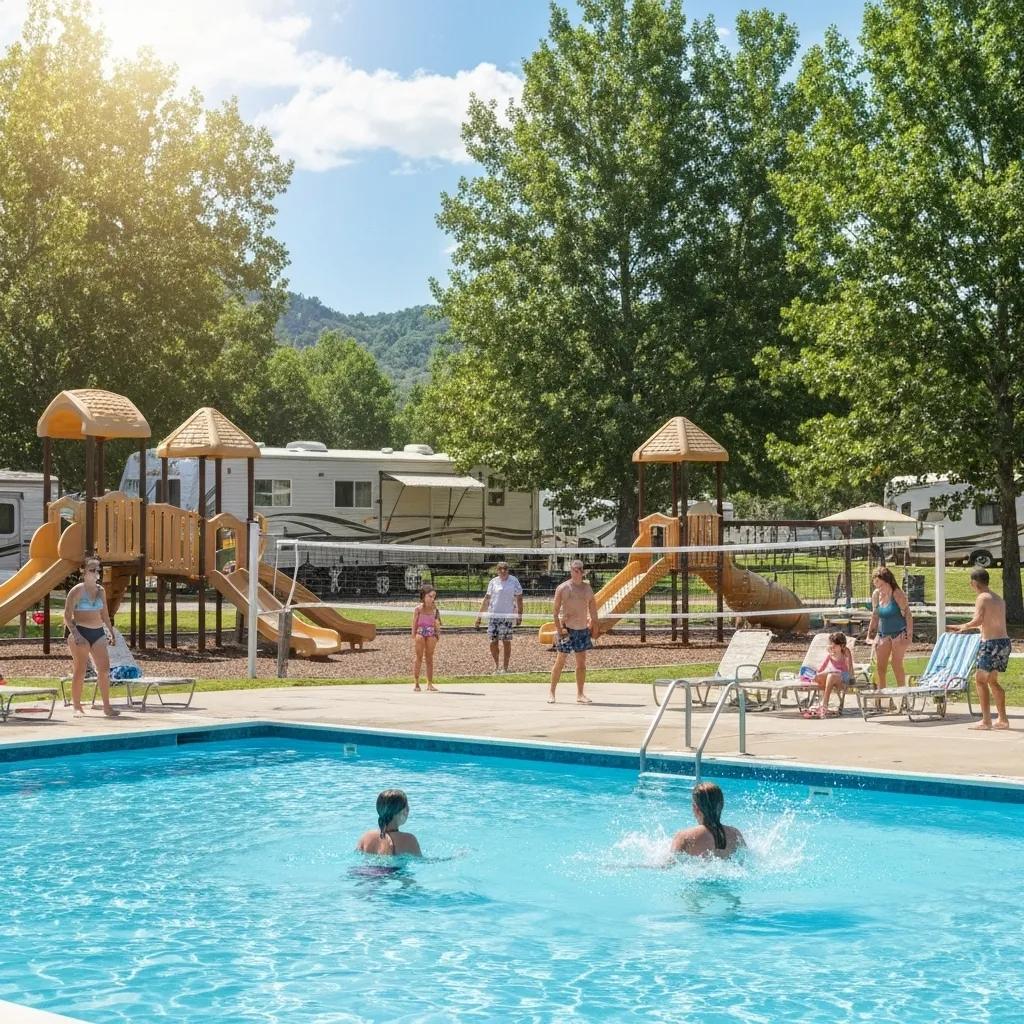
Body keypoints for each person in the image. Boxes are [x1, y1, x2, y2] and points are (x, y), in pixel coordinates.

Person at [948, 567, 1011, 731]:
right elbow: (990, 622)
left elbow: (979, 619)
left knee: (980, 680)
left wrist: (963, 626)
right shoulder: (998, 599)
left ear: (974, 583)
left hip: (990, 644)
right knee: (992, 680)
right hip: (1003, 642)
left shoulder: (982, 597)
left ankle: (986, 720)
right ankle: (1003, 719)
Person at [63, 556, 120, 718]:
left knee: (104, 670)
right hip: (80, 632)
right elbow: (67, 616)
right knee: (80, 670)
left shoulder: (100, 591)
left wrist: (111, 632)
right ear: (83, 571)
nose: (96, 573)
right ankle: (77, 706)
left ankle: (107, 707)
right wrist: (76, 634)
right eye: (92, 570)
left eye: (98, 570)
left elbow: (105, 615)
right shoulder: (76, 591)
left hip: (98, 633)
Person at [548, 559, 600, 704]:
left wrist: (595, 627)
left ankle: (580, 694)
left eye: (579, 570)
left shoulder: (587, 589)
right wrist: (560, 630)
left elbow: (593, 611)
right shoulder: (563, 588)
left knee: (581, 663)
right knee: (560, 661)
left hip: (582, 630)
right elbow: (555, 612)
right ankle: (551, 692)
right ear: (570, 571)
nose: (577, 572)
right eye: (574, 569)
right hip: (567, 630)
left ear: (582, 571)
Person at [671, 782, 745, 859]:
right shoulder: (736, 834)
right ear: (721, 806)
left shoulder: (684, 837)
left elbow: (666, 866)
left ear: (695, 808)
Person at [866, 566, 912, 688]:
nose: (879, 589)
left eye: (881, 585)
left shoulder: (897, 593)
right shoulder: (876, 595)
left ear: (888, 582)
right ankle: (883, 697)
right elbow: (875, 616)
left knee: (896, 663)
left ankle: (903, 694)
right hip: (883, 634)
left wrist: (909, 634)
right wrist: (870, 635)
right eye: (876, 586)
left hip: (899, 633)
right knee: (880, 667)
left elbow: (907, 614)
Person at [474, 561, 524, 674]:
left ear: (508, 570)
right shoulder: (493, 582)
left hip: (507, 616)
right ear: (497, 570)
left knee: (506, 641)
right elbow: (487, 599)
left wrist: (519, 614)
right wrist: (479, 617)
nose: (503, 571)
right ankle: (496, 666)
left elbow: (519, 598)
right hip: (493, 616)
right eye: (500, 569)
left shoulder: (514, 581)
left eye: (505, 568)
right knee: (493, 641)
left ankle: (505, 668)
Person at [356, 789, 422, 856]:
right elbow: (420, 861)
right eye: (407, 807)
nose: (408, 810)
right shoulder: (409, 840)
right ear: (403, 812)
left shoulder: (366, 837)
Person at [811, 632, 854, 717]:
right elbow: (822, 668)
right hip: (833, 675)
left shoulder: (845, 652)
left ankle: (825, 705)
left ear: (842, 646)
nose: (832, 647)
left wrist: (850, 679)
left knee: (831, 675)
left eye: (834, 646)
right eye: (831, 645)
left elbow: (850, 668)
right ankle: (822, 700)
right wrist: (816, 675)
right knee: (818, 676)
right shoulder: (830, 654)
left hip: (844, 676)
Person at [411, 583, 441, 692]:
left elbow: (437, 623)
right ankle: (416, 682)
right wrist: (413, 634)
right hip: (420, 632)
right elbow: (414, 623)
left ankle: (429, 683)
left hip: (431, 633)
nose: (432, 599)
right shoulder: (418, 609)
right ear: (423, 596)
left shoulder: (435, 609)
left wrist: (437, 634)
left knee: (429, 658)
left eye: (434, 597)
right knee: (419, 657)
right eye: (430, 596)